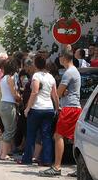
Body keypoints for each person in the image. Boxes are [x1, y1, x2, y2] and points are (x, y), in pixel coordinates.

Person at [39, 49, 82, 177]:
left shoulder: (68, 73)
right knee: (75, 139)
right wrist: (63, 92)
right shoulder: (74, 71)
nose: (59, 60)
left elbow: (58, 92)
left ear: (64, 58)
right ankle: (80, 167)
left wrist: (61, 93)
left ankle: (57, 166)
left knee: (58, 135)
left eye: (60, 57)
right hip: (75, 107)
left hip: (69, 107)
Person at [20, 54, 59, 165]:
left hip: (37, 108)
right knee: (46, 135)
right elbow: (55, 95)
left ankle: (27, 159)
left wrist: (28, 108)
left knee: (31, 134)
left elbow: (35, 92)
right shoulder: (50, 77)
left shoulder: (36, 76)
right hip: (49, 109)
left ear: (36, 64)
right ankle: (47, 160)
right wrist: (57, 108)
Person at [0, 59, 20, 160]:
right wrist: (20, 97)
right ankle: (4, 154)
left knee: (6, 130)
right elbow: (14, 93)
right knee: (10, 130)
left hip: (2, 104)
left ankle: (1, 153)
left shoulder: (3, 78)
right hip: (9, 105)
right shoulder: (10, 79)